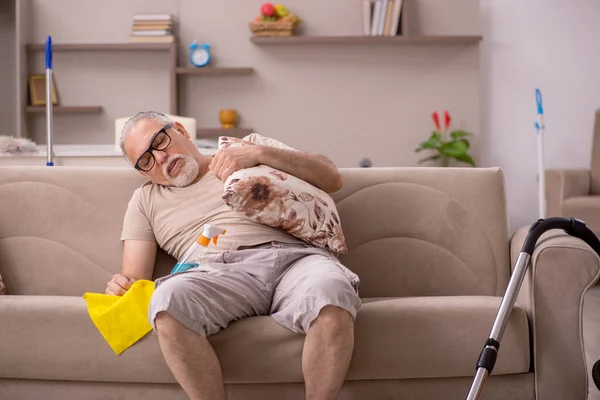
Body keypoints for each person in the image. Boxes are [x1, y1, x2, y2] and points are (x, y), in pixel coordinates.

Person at [106, 111, 361, 400]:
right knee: (166, 301)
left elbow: (331, 177)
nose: (160, 158)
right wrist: (122, 284)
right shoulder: (145, 200)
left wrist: (258, 153)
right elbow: (134, 277)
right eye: (146, 160)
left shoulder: (246, 147)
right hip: (219, 274)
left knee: (331, 289)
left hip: (297, 259)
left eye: (160, 141)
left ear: (180, 130)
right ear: (143, 172)